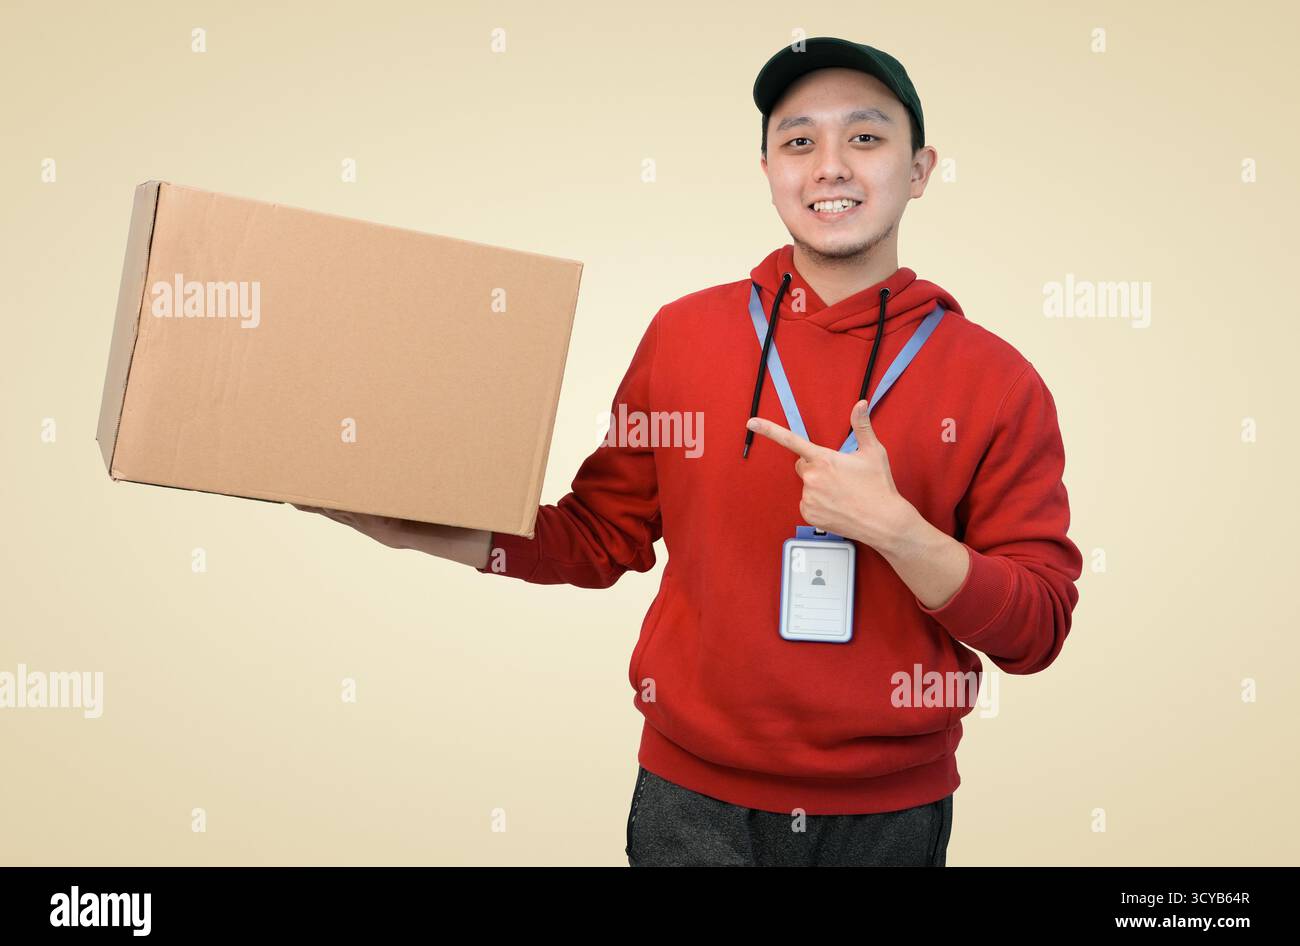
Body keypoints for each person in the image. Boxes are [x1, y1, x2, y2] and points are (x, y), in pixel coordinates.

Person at [296, 37, 1083, 867]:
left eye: (865, 137)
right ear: (769, 168)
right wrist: (414, 527)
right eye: (798, 141)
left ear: (920, 169)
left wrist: (900, 533)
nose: (830, 168)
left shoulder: (998, 381)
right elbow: (600, 538)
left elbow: (1037, 630)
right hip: (689, 801)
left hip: (890, 815)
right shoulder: (684, 335)